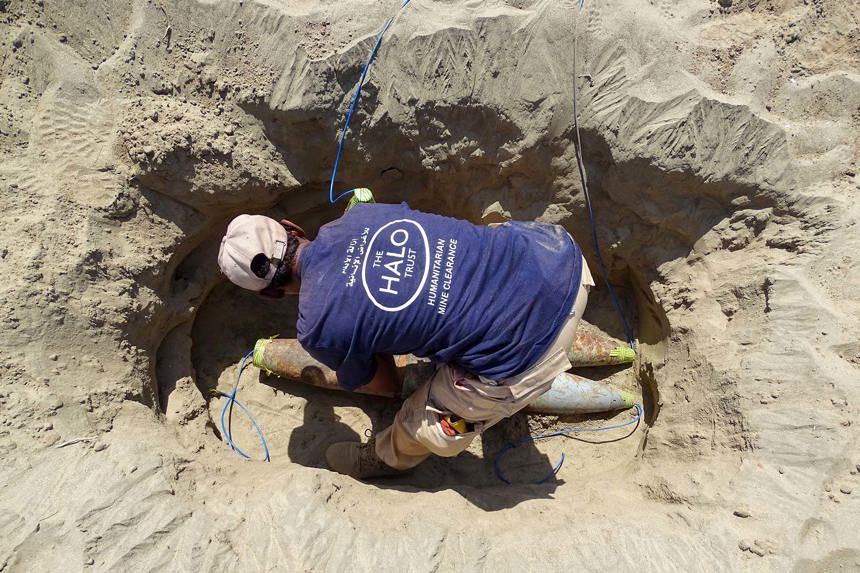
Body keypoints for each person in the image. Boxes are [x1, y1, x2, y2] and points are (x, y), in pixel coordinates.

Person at [217, 202, 594, 479]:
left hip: (528, 356)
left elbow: (386, 384)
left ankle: (385, 458)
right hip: (560, 257)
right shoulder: (361, 214)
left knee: (432, 429)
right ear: (292, 227)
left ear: (269, 295)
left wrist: (385, 368)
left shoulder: (316, 326)